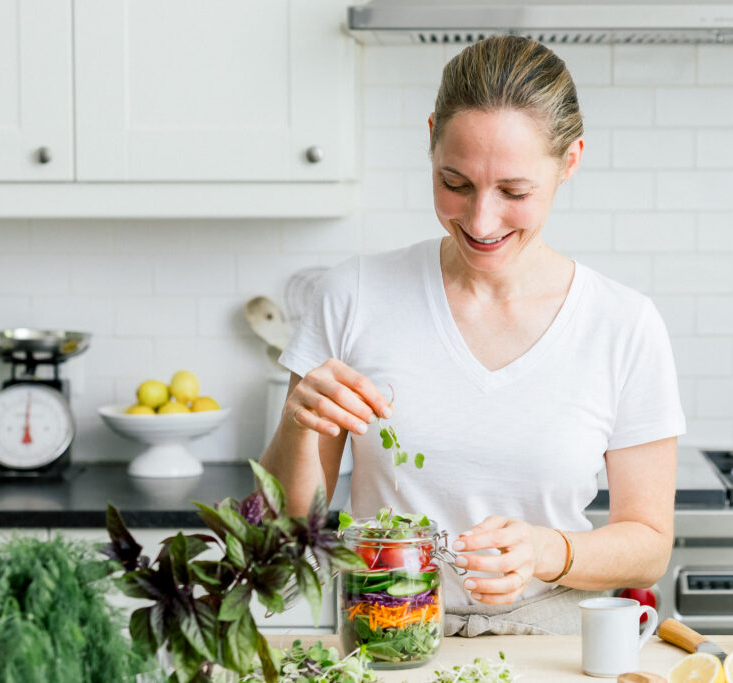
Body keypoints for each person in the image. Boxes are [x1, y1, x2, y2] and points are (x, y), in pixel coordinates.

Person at [259, 35, 684, 636]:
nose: (481, 221)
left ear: (570, 162)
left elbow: (648, 544)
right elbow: (280, 532)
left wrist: (547, 550)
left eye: (514, 192)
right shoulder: (352, 294)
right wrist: (295, 427)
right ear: (431, 137)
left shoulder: (623, 324)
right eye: (454, 183)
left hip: (549, 644)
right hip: (383, 630)